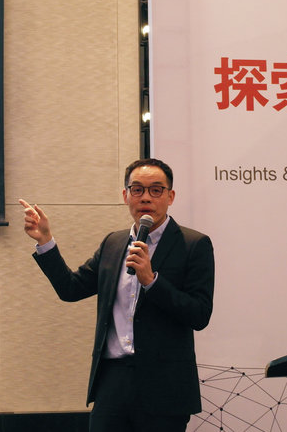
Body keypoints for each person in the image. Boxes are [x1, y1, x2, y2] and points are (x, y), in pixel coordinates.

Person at [19, 158, 215, 432]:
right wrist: (45, 241)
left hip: (164, 387)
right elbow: (71, 289)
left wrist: (151, 281)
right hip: (112, 381)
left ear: (170, 196)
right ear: (125, 195)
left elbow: (199, 314)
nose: (145, 197)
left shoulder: (194, 244)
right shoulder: (113, 243)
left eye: (156, 190)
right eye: (137, 189)